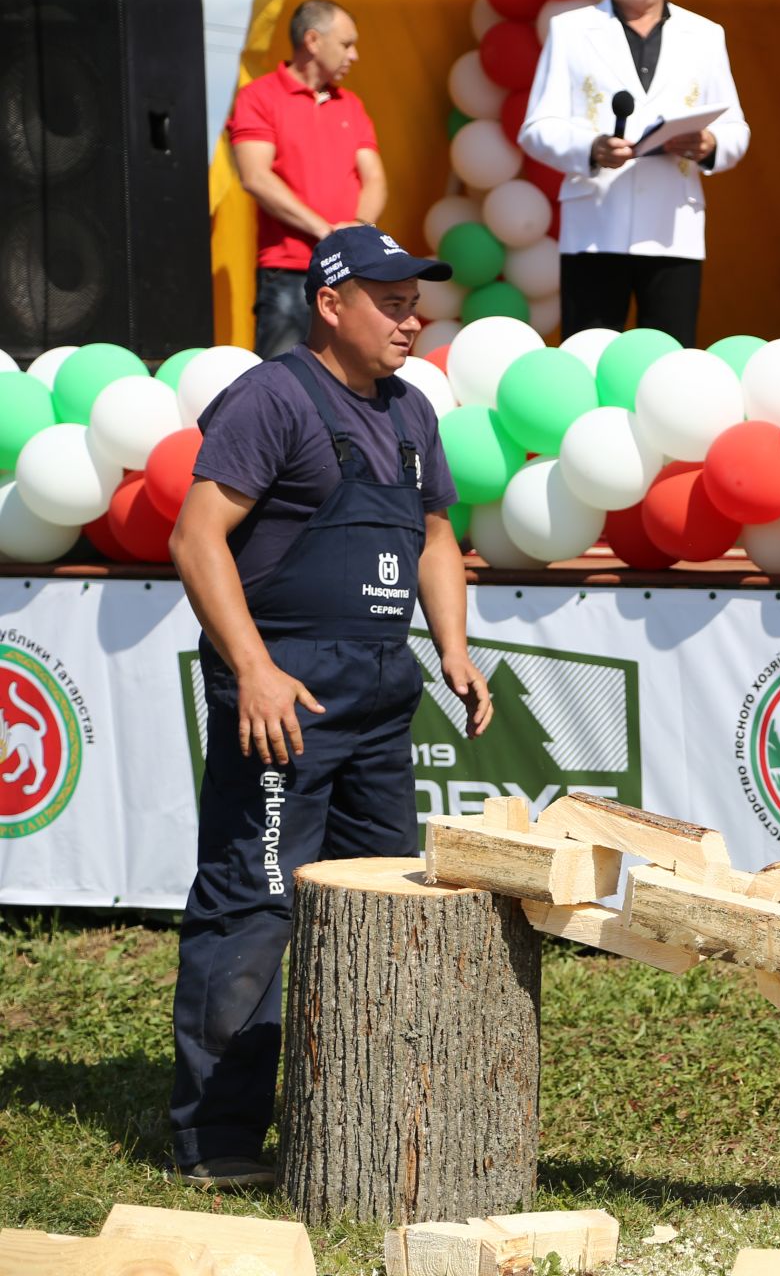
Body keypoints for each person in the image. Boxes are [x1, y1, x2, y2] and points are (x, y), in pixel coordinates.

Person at [167, 226, 494, 1188]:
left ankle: (357, 1120)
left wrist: (454, 649)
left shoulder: (410, 411)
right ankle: (217, 1141)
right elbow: (197, 539)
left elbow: (435, 533)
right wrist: (257, 670)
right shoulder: (273, 399)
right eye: (390, 300)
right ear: (330, 302)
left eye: (416, 299)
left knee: (380, 907)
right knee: (255, 906)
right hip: (285, 697)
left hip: (381, 697)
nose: (412, 316)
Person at [518, 0, 750, 345]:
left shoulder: (705, 34)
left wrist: (710, 143)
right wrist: (591, 148)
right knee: (588, 352)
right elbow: (536, 128)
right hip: (595, 227)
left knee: (669, 360)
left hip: (673, 230)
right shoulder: (570, 29)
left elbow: (736, 128)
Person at [229, 0, 386, 360]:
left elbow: (374, 176)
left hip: (351, 270)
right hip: (288, 270)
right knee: (283, 379)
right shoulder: (258, 97)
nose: (355, 55)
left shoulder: (352, 104)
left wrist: (358, 229)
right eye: (347, 44)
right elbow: (255, 176)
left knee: (353, 378)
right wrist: (325, 231)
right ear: (313, 40)